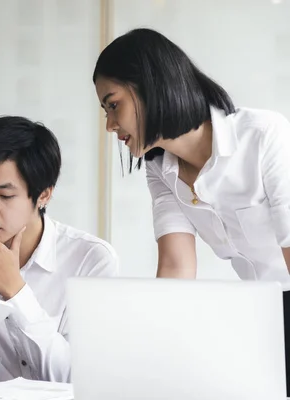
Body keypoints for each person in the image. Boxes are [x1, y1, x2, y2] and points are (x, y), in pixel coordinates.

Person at [93, 27, 290, 394]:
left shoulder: (265, 136)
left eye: (113, 104)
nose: (109, 125)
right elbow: (176, 268)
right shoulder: (160, 170)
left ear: (149, 86)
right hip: (263, 316)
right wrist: (155, 351)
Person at [0, 116, 119, 383]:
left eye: (5, 196)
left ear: (44, 195)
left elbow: (81, 380)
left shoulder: (91, 260)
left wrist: (16, 291)